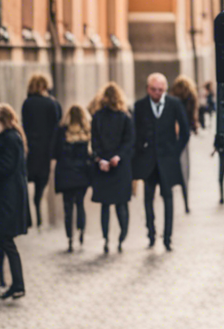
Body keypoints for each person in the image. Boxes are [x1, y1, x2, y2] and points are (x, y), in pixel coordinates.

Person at [132, 73, 190, 250]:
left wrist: (174, 152)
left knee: (168, 198)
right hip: (148, 161)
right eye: (153, 89)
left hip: (167, 160)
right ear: (148, 89)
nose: (156, 93)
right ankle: (151, 233)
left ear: (165, 89)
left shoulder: (174, 104)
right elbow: (135, 132)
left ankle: (167, 237)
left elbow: (185, 132)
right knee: (148, 198)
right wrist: (139, 152)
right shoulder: (140, 106)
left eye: (160, 89)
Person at [91, 82, 135, 252]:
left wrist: (101, 159)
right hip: (120, 167)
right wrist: (118, 156)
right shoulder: (125, 117)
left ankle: (106, 239)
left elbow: (94, 141)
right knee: (121, 205)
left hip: (105, 167)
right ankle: (121, 237)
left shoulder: (97, 116)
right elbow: (129, 141)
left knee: (105, 206)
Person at [21, 72, 62, 229]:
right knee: (42, 181)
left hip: (31, 148)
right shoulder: (52, 104)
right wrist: (54, 153)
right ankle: (37, 205)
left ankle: (34, 211)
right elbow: (56, 130)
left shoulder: (27, 103)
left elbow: (25, 125)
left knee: (30, 177)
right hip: (46, 149)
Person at [51, 104, 92, 252]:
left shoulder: (61, 130)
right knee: (80, 204)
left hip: (65, 173)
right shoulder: (86, 131)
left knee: (67, 207)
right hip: (82, 173)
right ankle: (81, 231)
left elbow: (54, 152)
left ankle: (70, 238)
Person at [0, 103, 30, 299]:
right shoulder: (11, 137)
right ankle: (9, 281)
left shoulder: (10, 138)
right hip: (8, 197)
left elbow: (5, 166)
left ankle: (18, 284)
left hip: (8, 199)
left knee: (6, 240)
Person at [169, 75, 200, 214]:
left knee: (169, 168)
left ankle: (168, 195)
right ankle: (186, 203)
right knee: (184, 171)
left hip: (172, 136)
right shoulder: (191, 98)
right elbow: (193, 117)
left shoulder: (173, 99)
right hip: (184, 136)